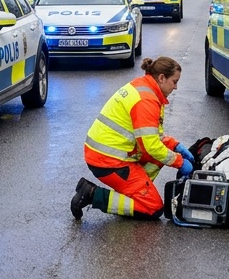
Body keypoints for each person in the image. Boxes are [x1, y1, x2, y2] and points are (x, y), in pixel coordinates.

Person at [70, 56, 195, 220]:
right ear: (162, 78)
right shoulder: (147, 100)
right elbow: (151, 146)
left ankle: (135, 190)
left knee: (163, 154)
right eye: (174, 81)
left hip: (106, 154)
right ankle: (92, 194)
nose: (176, 87)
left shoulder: (144, 88)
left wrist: (175, 145)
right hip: (109, 161)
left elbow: (151, 136)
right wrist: (179, 161)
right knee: (153, 208)